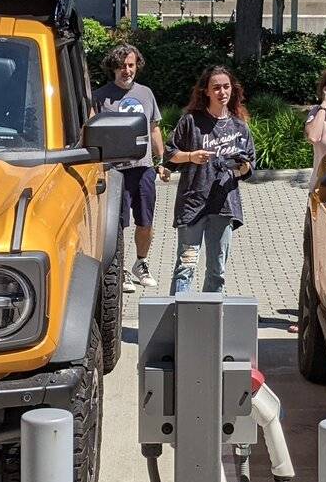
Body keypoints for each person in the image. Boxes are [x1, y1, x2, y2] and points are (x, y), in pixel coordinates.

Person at [163, 64, 256, 296]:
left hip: (223, 207)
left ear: (232, 90)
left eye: (226, 87)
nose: (222, 92)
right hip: (193, 204)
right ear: (206, 91)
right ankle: (182, 324)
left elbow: (249, 167)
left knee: (217, 270)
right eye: (216, 88)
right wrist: (191, 156)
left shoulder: (239, 126)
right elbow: (170, 154)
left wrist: (242, 167)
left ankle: (209, 325)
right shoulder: (190, 122)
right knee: (186, 266)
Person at [91, 43, 165, 291]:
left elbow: (154, 127)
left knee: (146, 221)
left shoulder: (146, 93)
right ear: (114, 67)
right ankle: (118, 267)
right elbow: (90, 132)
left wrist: (161, 160)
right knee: (118, 222)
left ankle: (140, 264)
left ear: (137, 66)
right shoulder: (100, 97)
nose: (127, 70)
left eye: (131, 65)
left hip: (143, 167)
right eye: (122, 66)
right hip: (114, 170)